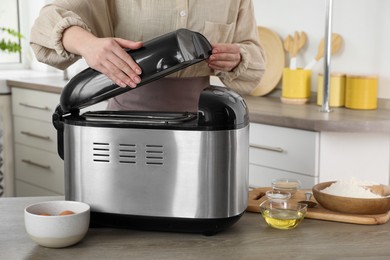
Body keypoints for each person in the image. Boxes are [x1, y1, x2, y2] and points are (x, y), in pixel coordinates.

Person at [30, 0, 265, 112]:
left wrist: (238, 58)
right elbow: (45, 25)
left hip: (204, 123)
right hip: (128, 120)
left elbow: (254, 55)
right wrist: (89, 45)